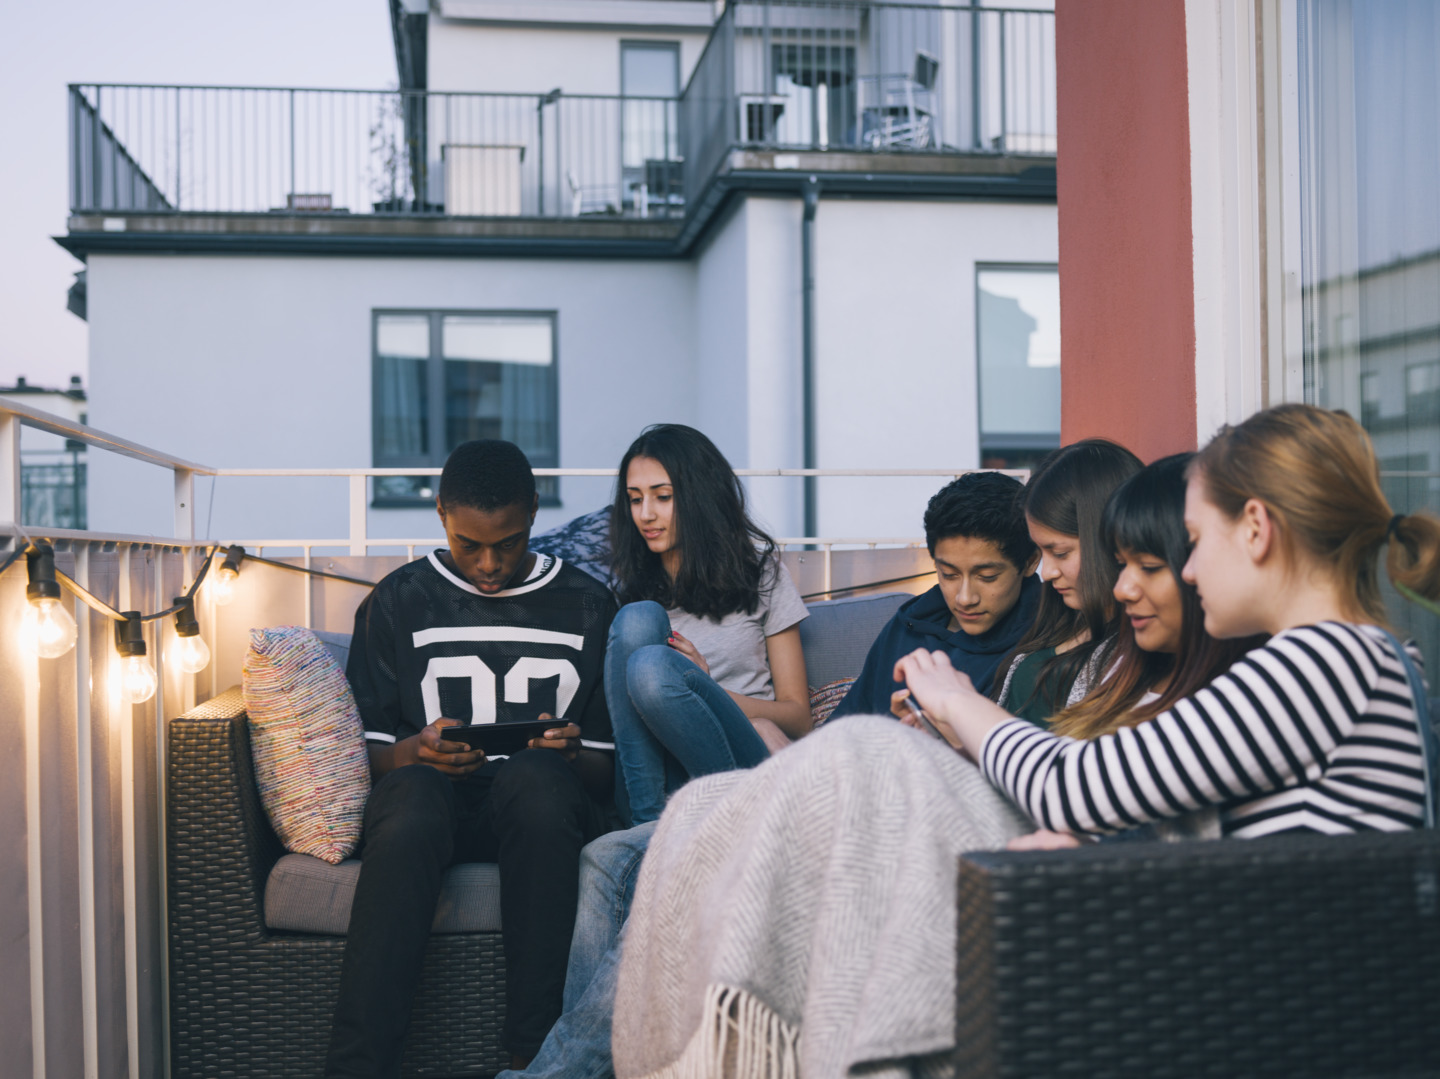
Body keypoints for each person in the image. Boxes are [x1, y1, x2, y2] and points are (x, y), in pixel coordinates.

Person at [900, 404, 1437, 840]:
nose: (1192, 571)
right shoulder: (1353, 660)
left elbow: (1070, 789)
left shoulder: (1326, 662)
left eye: (1196, 541)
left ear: (1255, 529)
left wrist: (956, 699)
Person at [326, 440, 620, 1078]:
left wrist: (566, 754)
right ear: (439, 515)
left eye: (509, 542)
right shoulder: (398, 600)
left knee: (537, 780)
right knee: (409, 795)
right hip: (433, 811)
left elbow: (603, 771)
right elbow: (368, 753)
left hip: (540, 814)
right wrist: (416, 752)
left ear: (536, 514)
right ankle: (358, 1067)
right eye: (469, 544)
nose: (489, 564)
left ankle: (534, 1059)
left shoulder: (591, 605)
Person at [605, 423, 811, 826]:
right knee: (638, 619)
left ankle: (656, 832)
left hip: (735, 762)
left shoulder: (760, 575)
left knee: (653, 669)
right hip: (658, 775)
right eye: (635, 499)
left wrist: (705, 691)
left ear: (698, 495)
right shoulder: (626, 590)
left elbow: (799, 716)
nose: (646, 514)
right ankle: (648, 824)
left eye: (663, 497)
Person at [829, 471, 1041, 719]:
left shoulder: (1049, 644)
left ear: (1030, 562)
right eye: (949, 574)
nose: (965, 598)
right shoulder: (906, 627)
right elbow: (846, 724)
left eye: (987, 577)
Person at [990, 438, 1143, 724]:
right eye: (1042, 552)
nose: (1047, 573)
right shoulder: (1060, 620)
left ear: (1108, 540)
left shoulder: (1133, 657)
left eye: (1060, 552)